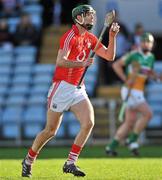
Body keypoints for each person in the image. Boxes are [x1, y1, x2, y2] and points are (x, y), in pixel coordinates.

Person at [21, 4, 120, 178]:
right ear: (79, 18)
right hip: (62, 87)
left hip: (78, 89)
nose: (92, 18)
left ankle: (70, 163)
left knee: (88, 123)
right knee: (50, 131)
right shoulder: (69, 36)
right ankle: (29, 160)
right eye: (89, 15)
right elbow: (60, 61)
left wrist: (112, 36)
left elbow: (109, 56)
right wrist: (81, 64)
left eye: (92, 15)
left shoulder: (90, 38)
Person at [105, 32, 160, 157]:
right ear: (140, 42)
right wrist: (125, 79)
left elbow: (148, 72)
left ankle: (111, 147)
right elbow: (116, 65)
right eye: (144, 41)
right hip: (130, 90)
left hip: (138, 91)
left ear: (152, 44)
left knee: (129, 122)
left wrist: (157, 77)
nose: (146, 44)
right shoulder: (133, 55)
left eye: (149, 42)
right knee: (148, 114)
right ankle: (132, 140)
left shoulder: (151, 57)